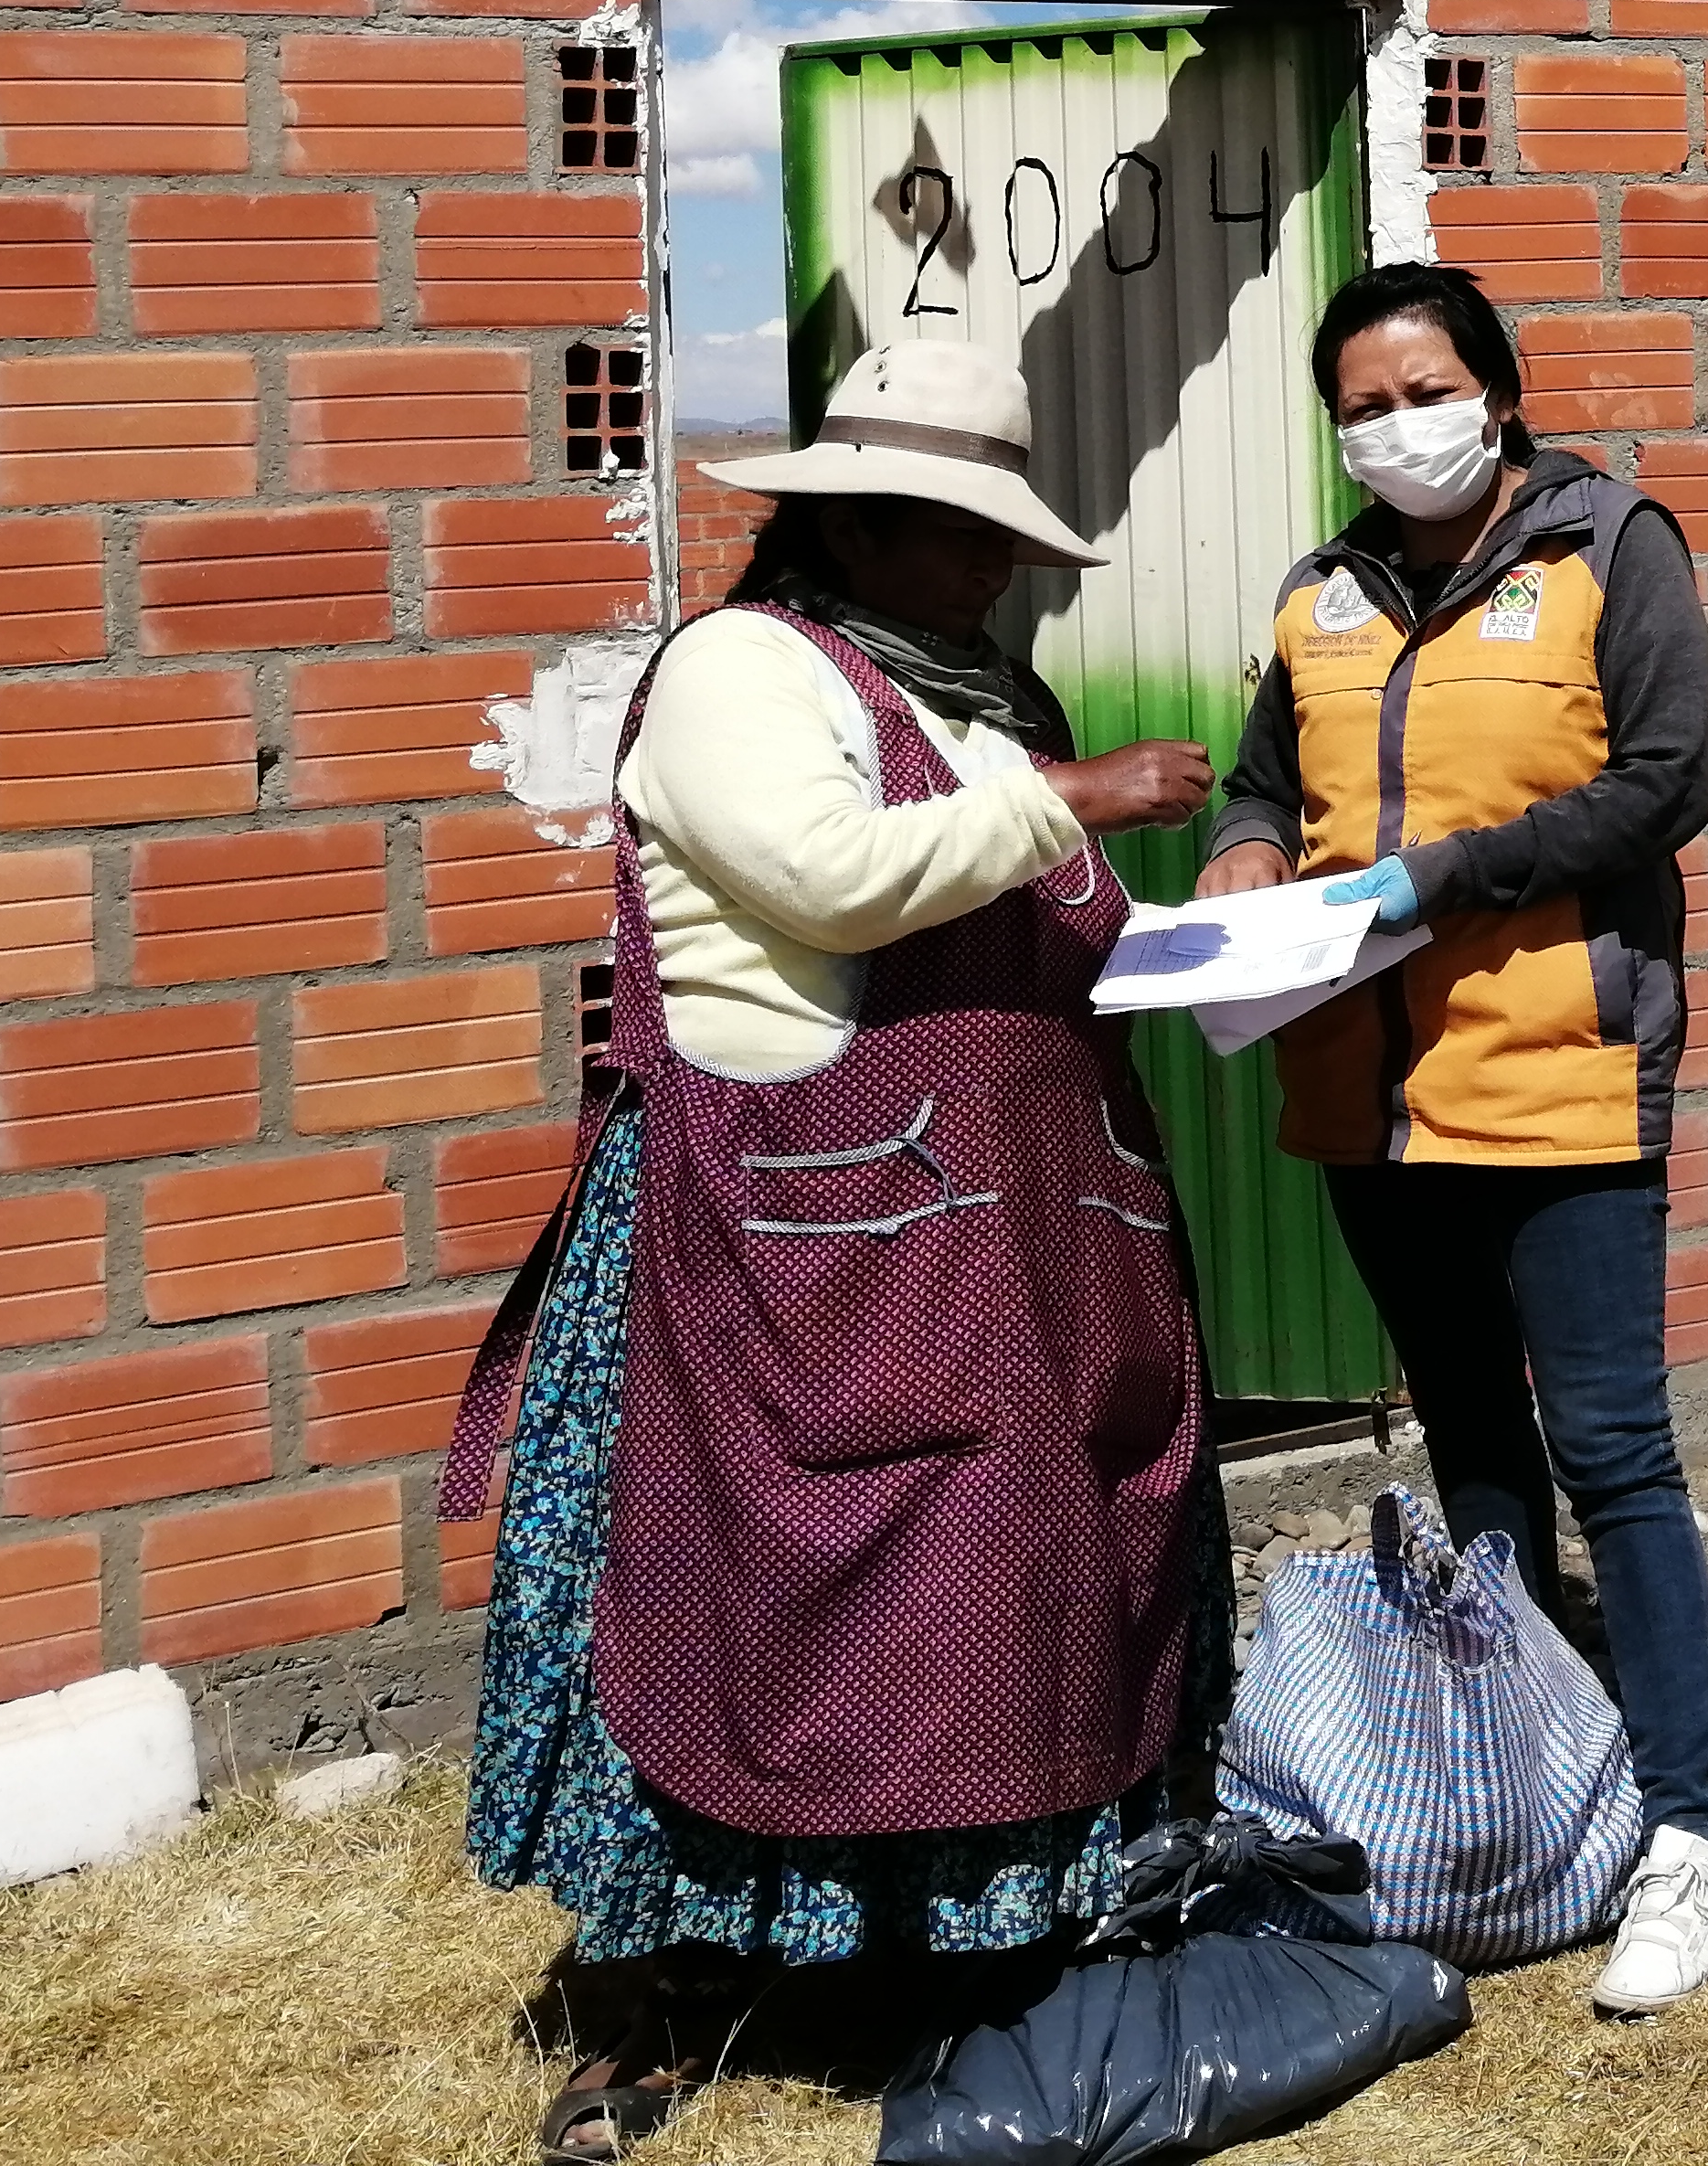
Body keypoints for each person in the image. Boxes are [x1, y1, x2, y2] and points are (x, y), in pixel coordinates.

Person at [446, 334, 1222, 2162]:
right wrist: (1078, 799)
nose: (1000, 572)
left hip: (1001, 1229)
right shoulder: (739, 670)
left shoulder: (984, 697)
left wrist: (1213, 939)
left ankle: (936, 1955)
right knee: (752, 1586)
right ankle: (664, 1990)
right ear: (858, 526)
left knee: (991, 1581)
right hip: (785, 1225)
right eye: (969, 538)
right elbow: (818, 874)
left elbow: (1059, 912)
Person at [1196, 259, 1708, 2014]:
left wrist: (1445, 876)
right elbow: (1266, 778)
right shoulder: (1323, 597)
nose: (1391, 425)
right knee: (1471, 1445)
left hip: (1558, 1068)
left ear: (1494, 392)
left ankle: (1688, 1831)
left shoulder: (1609, 548)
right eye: (1357, 404)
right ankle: (1529, 1775)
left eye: (1420, 389)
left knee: (1614, 1453)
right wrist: (1243, 854)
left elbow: (1669, 780)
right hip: (1368, 1093)